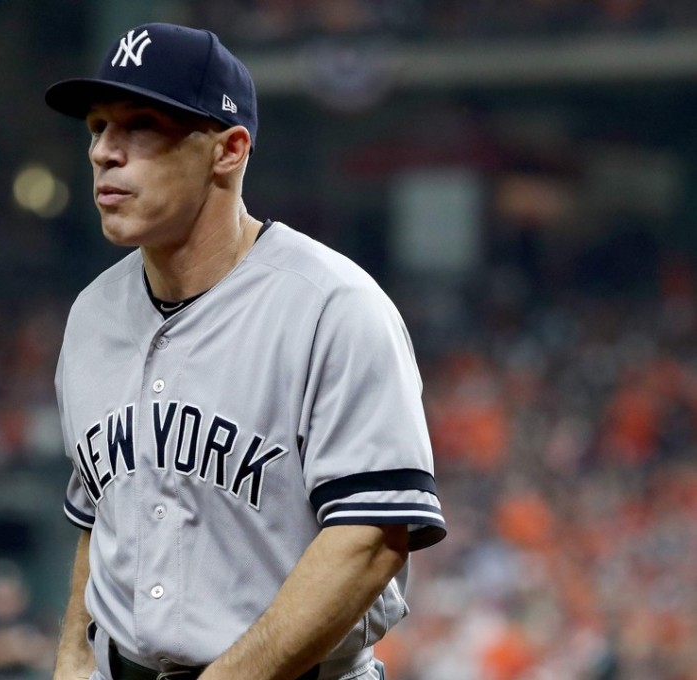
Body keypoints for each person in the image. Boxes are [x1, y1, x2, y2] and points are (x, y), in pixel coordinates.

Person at [44, 22, 446, 680]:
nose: (104, 152)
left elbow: (372, 540)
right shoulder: (91, 315)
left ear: (228, 150)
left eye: (140, 124)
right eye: (96, 126)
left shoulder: (332, 306)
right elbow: (100, 514)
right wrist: (72, 658)